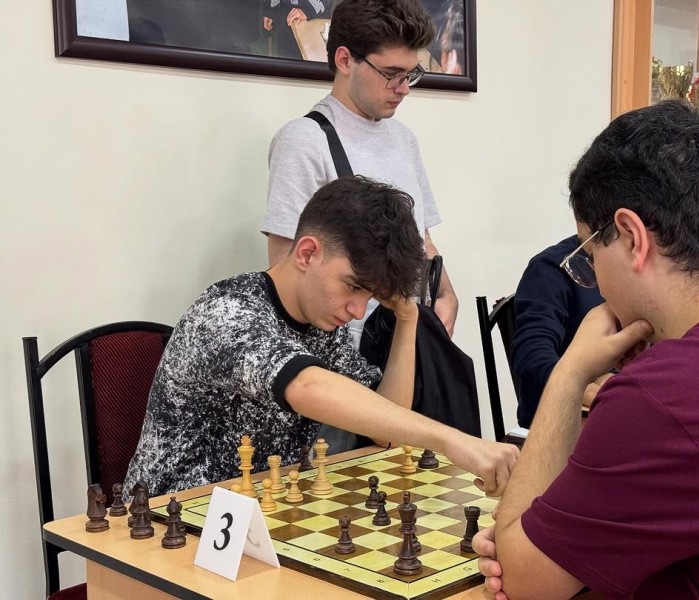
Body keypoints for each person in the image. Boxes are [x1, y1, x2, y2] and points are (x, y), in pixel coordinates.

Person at [473, 100, 699, 598]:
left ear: (631, 237)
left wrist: (571, 373)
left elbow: (524, 583)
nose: (597, 281)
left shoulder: (667, 394)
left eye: (590, 255)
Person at [124, 176, 517, 499]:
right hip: (166, 524)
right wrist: (452, 440)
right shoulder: (226, 312)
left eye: (370, 295)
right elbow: (307, 386)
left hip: (260, 514)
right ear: (307, 253)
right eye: (353, 286)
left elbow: (383, 430)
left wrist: (407, 316)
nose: (358, 311)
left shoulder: (321, 323)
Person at [262, 0, 459, 343]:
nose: (404, 88)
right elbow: (286, 274)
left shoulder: (404, 140)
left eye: (410, 74)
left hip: (411, 341)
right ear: (344, 60)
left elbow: (421, 239)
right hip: (345, 351)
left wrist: (446, 295)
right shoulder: (304, 141)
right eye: (391, 74)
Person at [511, 236, 604, 427]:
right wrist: (584, 387)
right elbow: (531, 354)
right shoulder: (551, 269)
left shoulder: (645, 262)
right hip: (561, 423)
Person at [261, 0, 332, 59]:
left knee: (312, 64)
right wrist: (271, 10)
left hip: (314, 19)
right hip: (287, 20)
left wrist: (307, 9)